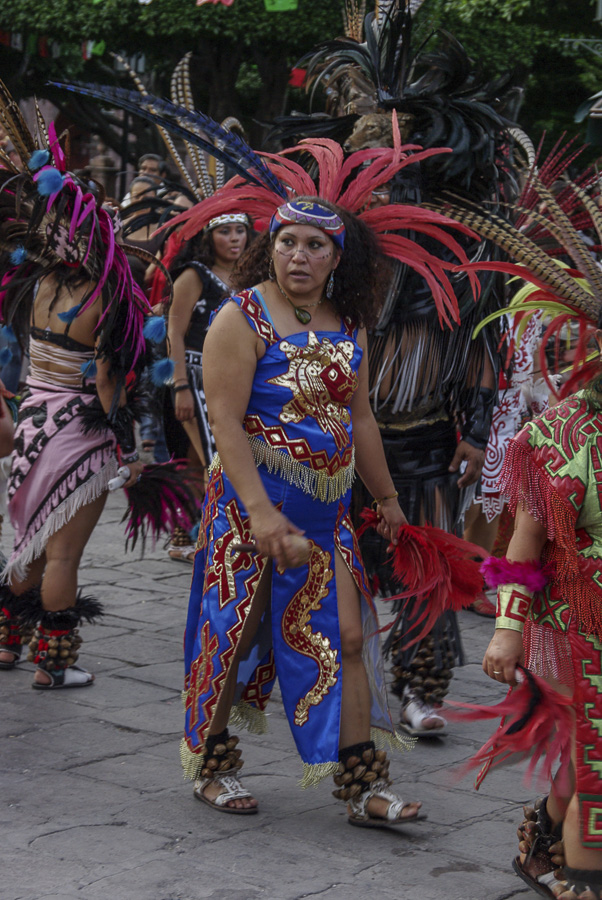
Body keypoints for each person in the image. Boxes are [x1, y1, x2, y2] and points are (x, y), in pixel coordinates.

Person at [182, 197, 423, 823]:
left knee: (346, 635)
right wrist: (261, 513)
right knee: (239, 637)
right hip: (249, 512)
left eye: (315, 245)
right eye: (289, 241)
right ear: (271, 245)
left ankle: (363, 785)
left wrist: (390, 500)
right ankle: (213, 763)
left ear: (337, 257)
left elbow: (360, 416)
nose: (300, 255)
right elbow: (227, 426)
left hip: (326, 513)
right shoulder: (242, 317)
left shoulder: (349, 320)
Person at [0, 92, 150, 689]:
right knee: (62, 555)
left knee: (28, 544)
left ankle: (7, 646)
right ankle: (52, 666)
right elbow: (110, 380)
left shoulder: (35, 288)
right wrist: (128, 446)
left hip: (34, 420)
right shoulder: (106, 299)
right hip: (78, 430)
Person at [165, 212, 253, 562]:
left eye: (240, 230)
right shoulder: (193, 275)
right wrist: (180, 385)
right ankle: (216, 540)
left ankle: (182, 538)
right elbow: (173, 331)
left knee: (194, 460)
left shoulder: (251, 276)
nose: (234, 238)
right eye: (225, 231)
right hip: (196, 377)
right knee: (218, 461)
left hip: (234, 379)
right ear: (207, 237)